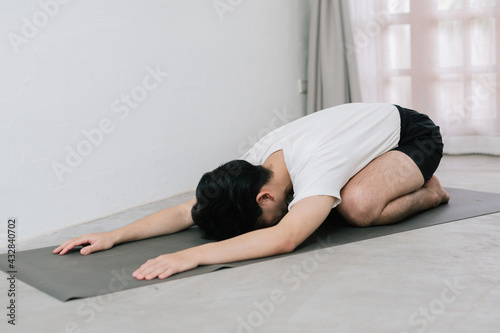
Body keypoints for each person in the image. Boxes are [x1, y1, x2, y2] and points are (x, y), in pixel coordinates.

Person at [53, 103, 450, 281]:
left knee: (358, 207)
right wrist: (114, 234)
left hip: (411, 135)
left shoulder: (314, 163)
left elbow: (285, 237)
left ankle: (431, 192)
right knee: (331, 202)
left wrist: (188, 257)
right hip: (359, 140)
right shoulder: (253, 166)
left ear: (264, 198)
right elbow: (186, 211)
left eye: (254, 223)